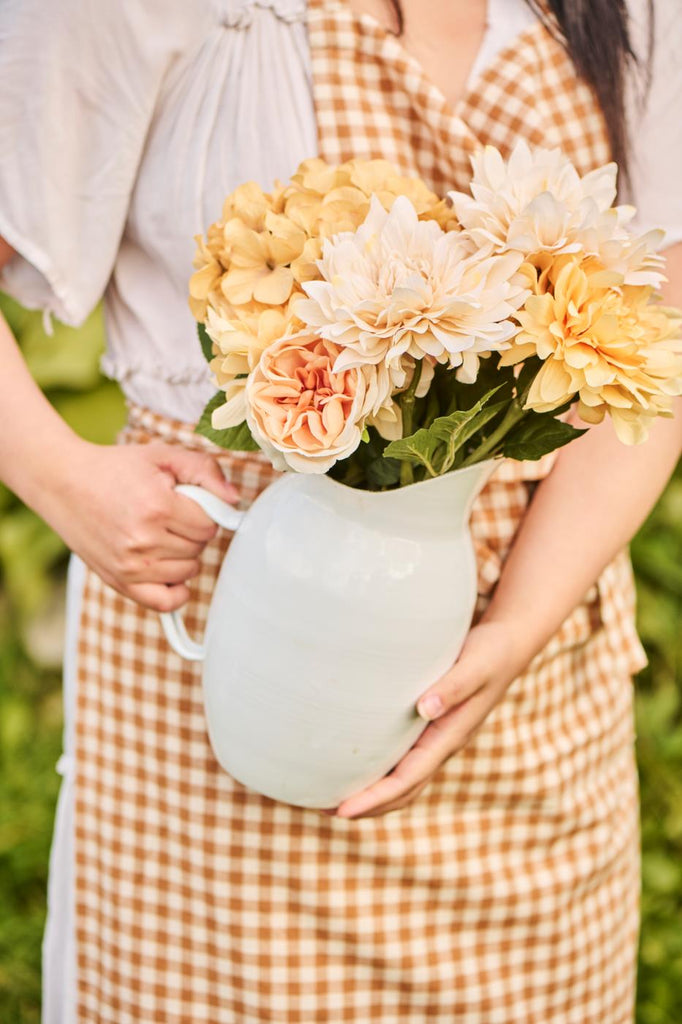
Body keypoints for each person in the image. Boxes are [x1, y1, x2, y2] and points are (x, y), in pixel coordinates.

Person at [0, 0, 681, 1020]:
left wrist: (513, 630)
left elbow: (660, 323)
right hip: (228, 665)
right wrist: (62, 476)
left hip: (533, 691)